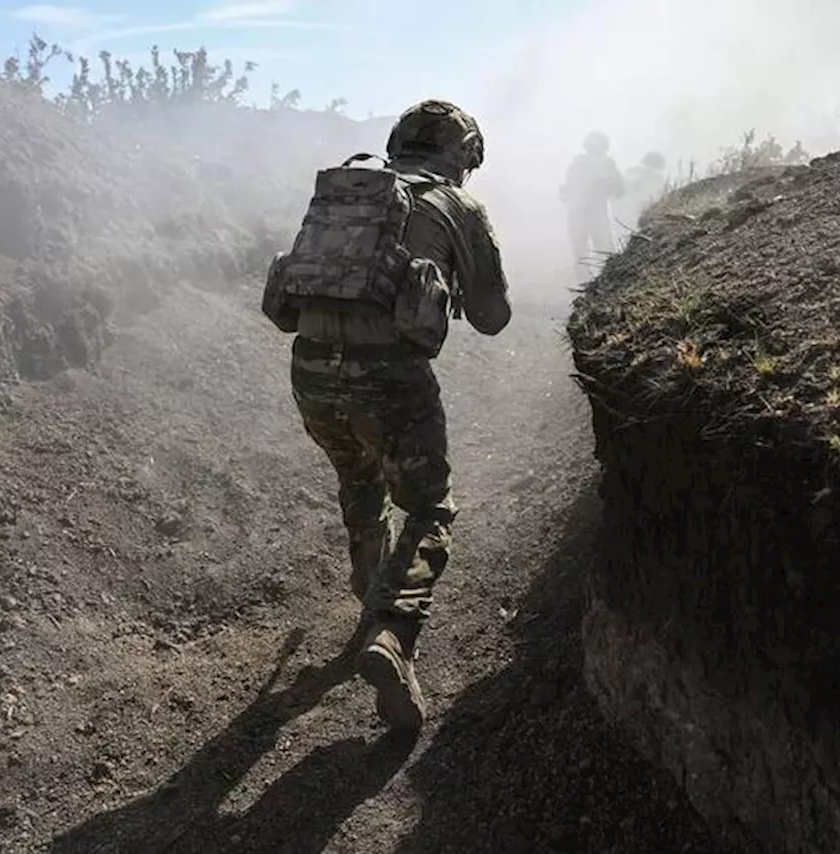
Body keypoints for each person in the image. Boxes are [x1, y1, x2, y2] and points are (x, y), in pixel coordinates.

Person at [264, 99, 511, 730]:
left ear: (398, 141)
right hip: (392, 380)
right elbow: (492, 317)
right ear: (464, 156)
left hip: (312, 370)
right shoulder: (457, 204)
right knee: (429, 507)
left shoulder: (350, 191)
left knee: (358, 475)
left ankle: (368, 583)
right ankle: (393, 634)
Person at [559, 131, 624, 282]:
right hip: (579, 213)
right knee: (582, 253)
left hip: (596, 214)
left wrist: (607, 184)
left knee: (604, 249)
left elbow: (619, 189)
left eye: (599, 146)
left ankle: (608, 281)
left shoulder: (608, 164)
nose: (597, 149)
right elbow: (570, 189)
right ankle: (586, 284)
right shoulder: (579, 164)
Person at [613, 150, 668, 245]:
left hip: (646, 212)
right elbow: (623, 191)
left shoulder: (657, 178)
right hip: (630, 212)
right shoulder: (635, 173)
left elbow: (660, 194)